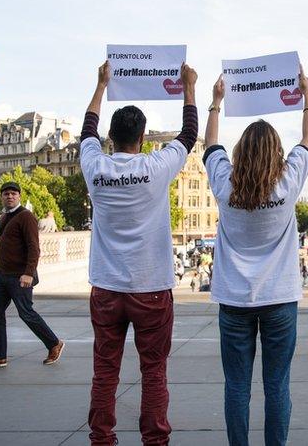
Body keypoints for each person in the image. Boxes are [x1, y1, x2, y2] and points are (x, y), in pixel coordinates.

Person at [80, 61, 198, 445]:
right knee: (154, 372)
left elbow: (86, 130)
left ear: (110, 136)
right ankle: (155, 441)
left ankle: (101, 439)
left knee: (104, 371)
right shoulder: (156, 166)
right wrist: (189, 87)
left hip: (107, 288)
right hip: (150, 287)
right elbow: (189, 134)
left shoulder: (94, 165)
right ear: (144, 138)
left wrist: (101, 85)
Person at [203, 67, 308, 446]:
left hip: (234, 300)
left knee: (236, 387)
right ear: (277, 153)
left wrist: (216, 102)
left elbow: (209, 145)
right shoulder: (287, 183)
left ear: (240, 152)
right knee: (277, 386)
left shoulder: (224, 183)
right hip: (280, 299)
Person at [0, 181, 63, 369]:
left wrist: (28, 273)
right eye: (6, 194)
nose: (10, 196)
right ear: (2, 197)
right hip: (2, 275)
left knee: (26, 313)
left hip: (19, 276)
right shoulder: (5, 217)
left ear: (19, 196)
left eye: (13, 193)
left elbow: (34, 247)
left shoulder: (26, 216)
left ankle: (54, 343)